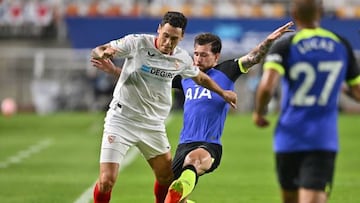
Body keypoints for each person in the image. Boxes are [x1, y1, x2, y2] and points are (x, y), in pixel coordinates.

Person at [92, 21, 294, 203]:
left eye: (203, 55)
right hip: (183, 145)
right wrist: (114, 71)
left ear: (216, 56)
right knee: (173, 193)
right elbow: (148, 80)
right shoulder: (186, 76)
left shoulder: (227, 70)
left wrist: (270, 41)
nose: (197, 59)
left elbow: (254, 56)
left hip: (209, 144)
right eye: (196, 54)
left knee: (193, 162)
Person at [90, 11, 238, 203]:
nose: (168, 42)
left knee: (167, 179)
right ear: (159, 30)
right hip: (122, 120)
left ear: (182, 37)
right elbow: (98, 50)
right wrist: (104, 53)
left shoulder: (182, 58)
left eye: (174, 39)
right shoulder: (137, 43)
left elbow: (200, 78)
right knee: (106, 181)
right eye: (165, 36)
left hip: (153, 126)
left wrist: (223, 93)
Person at [252, 1, 360, 203]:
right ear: (320, 13)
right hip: (322, 138)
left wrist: (259, 113)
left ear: (294, 13)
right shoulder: (340, 43)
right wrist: (340, 86)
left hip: (288, 138)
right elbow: (358, 92)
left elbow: (267, 87)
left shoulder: (285, 45)